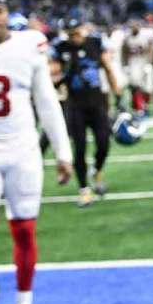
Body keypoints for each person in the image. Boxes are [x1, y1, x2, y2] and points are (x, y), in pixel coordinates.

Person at [0, 0, 73, 304]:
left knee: (25, 230)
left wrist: (63, 153)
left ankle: (24, 303)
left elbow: (46, 102)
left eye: (0, 10)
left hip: (22, 148)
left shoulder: (28, 48)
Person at [51, 20, 122, 207]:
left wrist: (118, 93)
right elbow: (51, 75)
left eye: (77, 32)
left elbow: (107, 67)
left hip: (97, 103)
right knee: (80, 148)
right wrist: (64, 74)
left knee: (104, 143)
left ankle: (97, 170)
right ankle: (84, 190)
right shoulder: (61, 48)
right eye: (71, 33)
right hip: (75, 106)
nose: (75, 36)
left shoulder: (95, 43)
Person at [122, 18, 153, 114]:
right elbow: (124, 51)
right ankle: (139, 108)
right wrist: (125, 65)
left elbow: (151, 49)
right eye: (132, 26)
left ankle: (145, 106)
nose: (134, 28)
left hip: (144, 62)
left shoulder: (146, 35)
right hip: (133, 63)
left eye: (136, 26)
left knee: (148, 88)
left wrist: (150, 63)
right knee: (135, 86)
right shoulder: (127, 37)